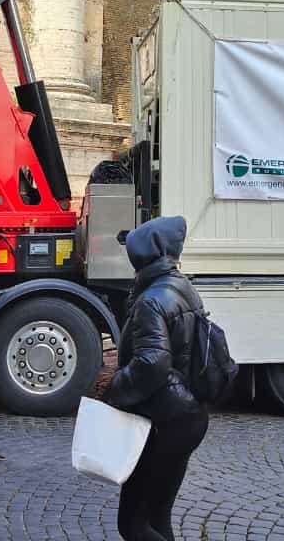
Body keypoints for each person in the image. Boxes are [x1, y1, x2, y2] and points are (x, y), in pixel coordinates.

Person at [107, 215, 209, 541]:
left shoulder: (152, 299)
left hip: (165, 420)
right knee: (157, 517)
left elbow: (152, 363)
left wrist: (113, 387)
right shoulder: (180, 286)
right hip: (185, 416)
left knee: (133, 524)